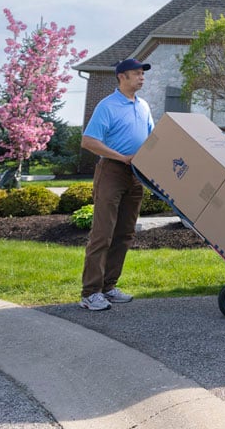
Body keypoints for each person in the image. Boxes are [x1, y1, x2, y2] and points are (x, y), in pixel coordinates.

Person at [78, 58, 155, 311]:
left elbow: (152, 139)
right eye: (136, 73)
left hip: (136, 174)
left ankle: (109, 287)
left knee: (125, 233)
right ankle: (90, 293)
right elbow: (89, 141)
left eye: (142, 74)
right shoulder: (107, 106)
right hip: (112, 171)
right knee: (103, 233)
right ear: (122, 77)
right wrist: (122, 157)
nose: (141, 77)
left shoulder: (143, 106)